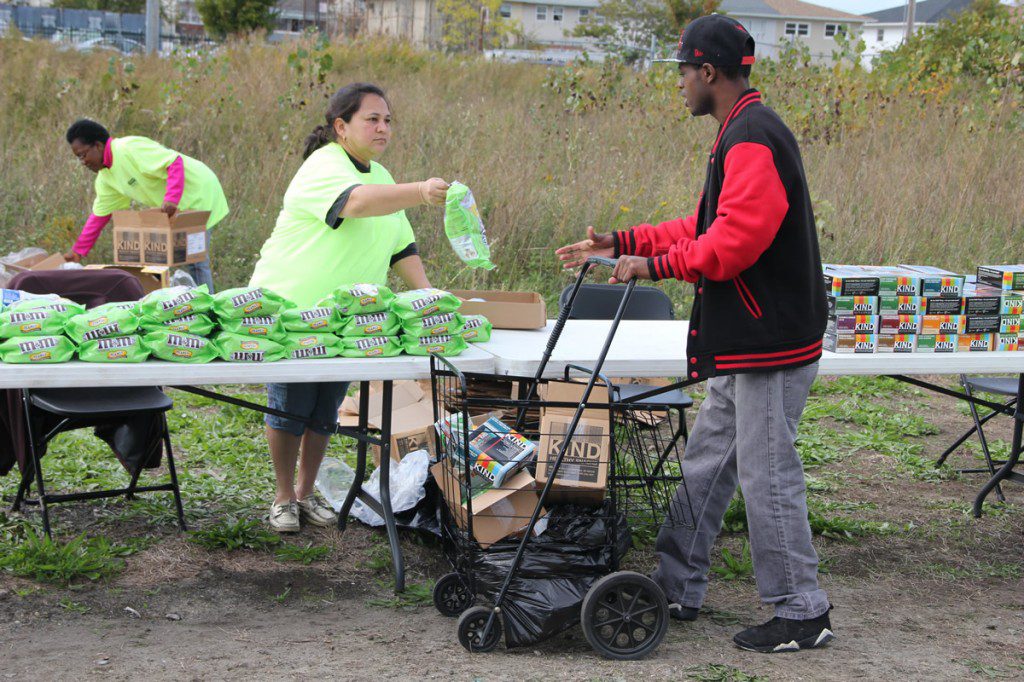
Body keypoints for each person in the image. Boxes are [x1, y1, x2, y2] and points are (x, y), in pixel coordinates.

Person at [556, 14, 832, 654]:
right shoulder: (738, 133)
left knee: (767, 475)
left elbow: (730, 246)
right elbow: (706, 221)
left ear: (708, 71)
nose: (678, 84)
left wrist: (651, 265)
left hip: (772, 344)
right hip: (749, 340)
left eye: (682, 71)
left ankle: (801, 609)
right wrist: (621, 243)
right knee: (709, 460)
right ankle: (675, 583)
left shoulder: (753, 138)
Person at [249, 82, 448, 533]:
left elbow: (402, 248)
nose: (382, 128)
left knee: (325, 409)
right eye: (372, 119)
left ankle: (304, 494)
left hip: (346, 323)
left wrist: (429, 299)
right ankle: (283, 499)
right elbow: (353, 204)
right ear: (341, 127)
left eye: (388, 120)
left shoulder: (382, 176)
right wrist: (418, 190)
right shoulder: (323, 166)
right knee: (290, 405)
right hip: (294, 313)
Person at [64, 119, 228, 293]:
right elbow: (99, 217)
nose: (83, 162)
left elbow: (174, 162)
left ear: (97, 145)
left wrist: (172, 198)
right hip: (177, 204)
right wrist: (78, 252)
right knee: (165, 259)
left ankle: (208, 309)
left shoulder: (129, 148)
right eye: (78, 158)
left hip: (198, 191)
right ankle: (184, 304)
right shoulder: (106, 179)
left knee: (195, 260)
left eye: (83, 155)